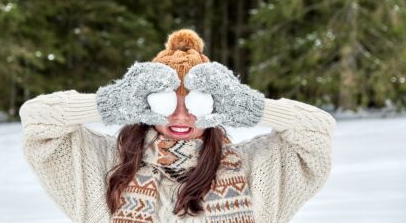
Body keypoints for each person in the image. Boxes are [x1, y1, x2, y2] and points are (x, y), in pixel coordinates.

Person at [19, 29, 336, 223]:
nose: (181, 117)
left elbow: (318, 132)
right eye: (168, 102)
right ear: (146, 104)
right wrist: (109, 103)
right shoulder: (108, 166)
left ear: (216, 105)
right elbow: (36, 120)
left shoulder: (258, 169)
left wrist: (253, 108)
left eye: (195, 103)